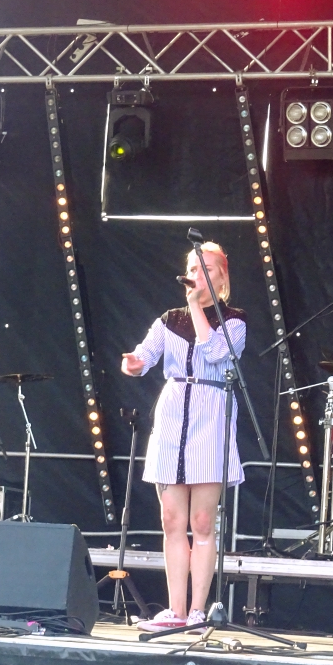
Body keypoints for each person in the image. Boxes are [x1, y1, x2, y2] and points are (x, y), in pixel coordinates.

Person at [121, 243, 246, 633]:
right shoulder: (167, 320)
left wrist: (197, 308)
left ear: (221, 277)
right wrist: (134, 363)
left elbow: (215, 353)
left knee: (203, 520)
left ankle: (197, 610)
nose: (197, 275)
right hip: (174, 409)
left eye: (205, 269)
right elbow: (144, 357)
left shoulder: (234, 320)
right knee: (172, 519)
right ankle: (175, 609)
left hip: (211, 410)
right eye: (192, 268)